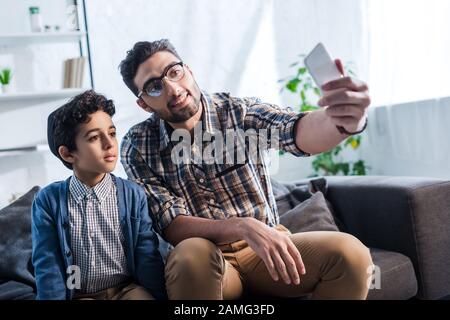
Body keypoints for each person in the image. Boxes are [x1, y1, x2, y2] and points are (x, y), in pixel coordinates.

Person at [119, 39, 373, 299]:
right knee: (190, 254)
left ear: (189, 71)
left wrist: (345, 121)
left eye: (174, 72)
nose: (172, 89)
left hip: (265, 252)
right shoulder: (138, 145)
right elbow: (171, 223)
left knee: (351, 255)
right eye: (154, 87)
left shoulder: (237, 112)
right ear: (144, 104)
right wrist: (241, 226)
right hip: (207, 262)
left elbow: (294, 130)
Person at [31, 90, 167, 300]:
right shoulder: (48, 201)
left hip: (127, 290)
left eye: (112, 133)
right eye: (94, 137)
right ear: (68, 153)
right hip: (81, 294)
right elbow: (48, 263)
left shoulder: (133, 195)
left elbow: (146, 255)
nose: (109, 143)